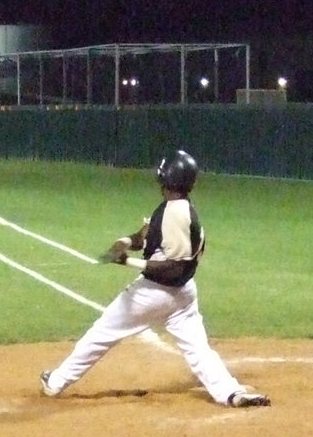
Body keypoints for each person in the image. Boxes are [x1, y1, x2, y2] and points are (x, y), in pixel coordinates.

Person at [40, 150, 271, 408]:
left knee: (101, 333)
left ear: (167, 177)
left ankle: (56, 382)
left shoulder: (176, 213)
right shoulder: (175, 207)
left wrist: (128, 261)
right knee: (198, 349)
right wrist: (125, 242)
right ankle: (230, 393)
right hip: (183, 295)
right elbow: (148, 234)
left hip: (151, 293)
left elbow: (173, 267)